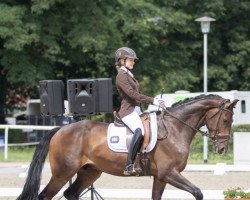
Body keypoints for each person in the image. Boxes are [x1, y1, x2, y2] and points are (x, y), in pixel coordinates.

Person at [115, 47, 165, 175]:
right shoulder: (121, 75)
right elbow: (132, 94)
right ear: (122, 60)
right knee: (140, 130)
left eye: (133, 60)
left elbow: (137, 94)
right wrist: (153, 100)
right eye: (131, 60)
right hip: (128, 111)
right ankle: (129, 164)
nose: (133, 62)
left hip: (136, 110)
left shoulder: (129, 74)